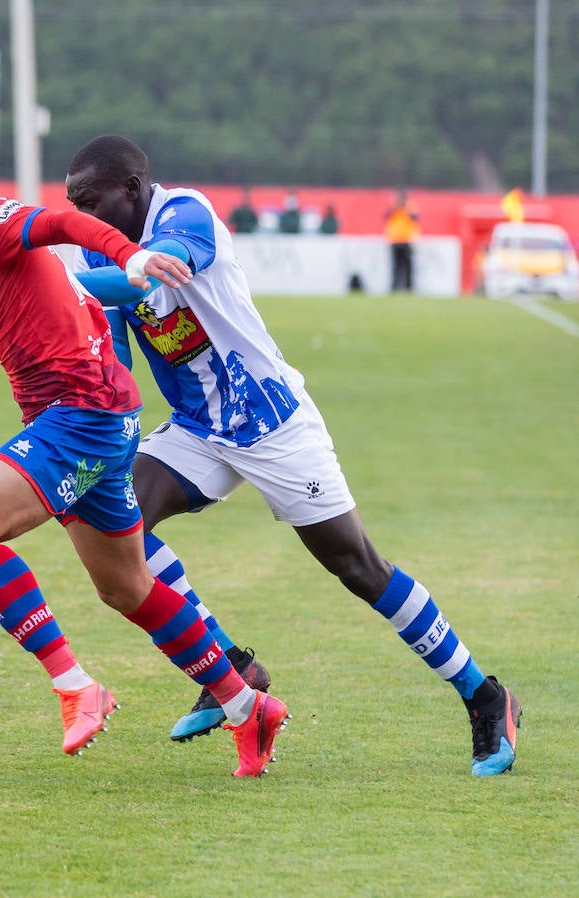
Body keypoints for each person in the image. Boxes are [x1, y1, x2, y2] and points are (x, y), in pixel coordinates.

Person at [63, 134, 520, 776]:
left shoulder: (183, 213)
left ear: (132, 190)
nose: (82, 215)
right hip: (198, 428)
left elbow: (156, 267)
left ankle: (485, 696)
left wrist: (58, 282)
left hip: (272, 423)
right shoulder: (93, 247)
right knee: (116, 518)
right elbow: (114, 359)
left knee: (358, 567)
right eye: (71, 205)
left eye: (90, 201)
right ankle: (231, 668)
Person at [0, 151, 287, 777]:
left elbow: (63, 226)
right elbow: (64, 288)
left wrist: (130, 256)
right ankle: (246, 706)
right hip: (97, 417)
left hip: (80, 416)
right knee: (127, 588)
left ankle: (75, 685)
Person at [385, 189, 420, 292]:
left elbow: (415, 218)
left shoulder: (410, 207)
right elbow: (386, 216)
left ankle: (409, 287)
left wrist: (405, 209)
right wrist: (395, 207)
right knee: (396, 266)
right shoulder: (393, 207)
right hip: (395, 240)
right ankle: (395, 287)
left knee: (408, 266)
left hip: (407, 240)